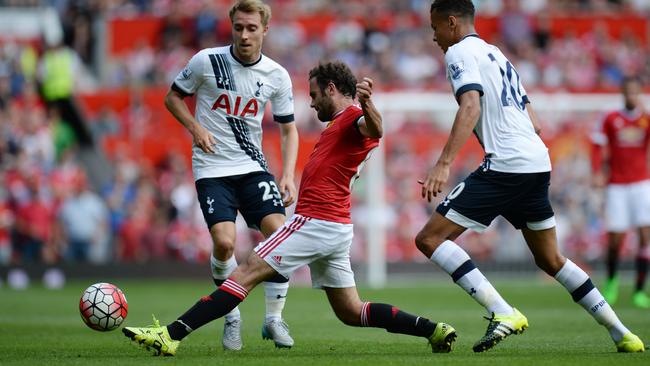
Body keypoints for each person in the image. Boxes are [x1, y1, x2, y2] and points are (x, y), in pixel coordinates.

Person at [123, 61, 458, 356]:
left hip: (315, 221)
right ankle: (433, 330)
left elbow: (376, 129)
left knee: (246, 272)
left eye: (313, 95)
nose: (310, 103)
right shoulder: (337, 126)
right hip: (336, 227)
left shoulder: (354, 117)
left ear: (331, 88)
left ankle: (170, 335)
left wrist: (368, 104)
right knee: (351, 311)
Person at [415, 0, 644, 353]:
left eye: (435, 27)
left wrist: (444, 163)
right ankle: (622, 333)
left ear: (452, 22)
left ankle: (501, 311)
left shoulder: (459, 52)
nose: (433, 37)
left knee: (429, 239)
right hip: (537, 162)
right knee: (550, 259)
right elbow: (534, 122)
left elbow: (471, 105)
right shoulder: (497, 55)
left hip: (506, 164)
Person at [163, 0, 299, 350]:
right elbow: (173, 98)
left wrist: (287, 175)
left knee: (281, 236)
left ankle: (273, 318)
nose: (244, 34)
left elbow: (288, 130)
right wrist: (195, 127)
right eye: (239, 27)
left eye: (252, 28)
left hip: (253, 167)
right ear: (231, 26)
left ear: (265, 30)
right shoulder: (206, 61)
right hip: (212, 169)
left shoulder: (276, 75)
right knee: (225, 243)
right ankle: (231, 317)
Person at [591, 76, 650, 309]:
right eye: (628, 92)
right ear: (623, 93)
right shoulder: (610, 118)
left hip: (641, 184)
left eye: (636, 92)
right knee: (616, 239)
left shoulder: (646, 118)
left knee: (645, 237)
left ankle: (639, 290)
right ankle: (612, 281)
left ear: (639, 93)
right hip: (616, 184)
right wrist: (597, 171)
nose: (632, 96)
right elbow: (597, 145)